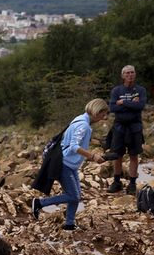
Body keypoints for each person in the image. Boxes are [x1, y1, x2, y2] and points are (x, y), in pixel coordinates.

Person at [31, 99, 108, 231]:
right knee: (74, 195)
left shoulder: (80, 119)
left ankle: (69, 224)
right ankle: (39, 203)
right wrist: (92, 156)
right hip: (64, 163)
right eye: (103, 114)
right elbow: (74, 146)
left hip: (69, 163)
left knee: (76, 194)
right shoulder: (83, 125)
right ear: (97, 112)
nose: (104, 118)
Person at [107, 65, 146, 195]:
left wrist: (123, 103)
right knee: (117, 155)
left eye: (132, 72)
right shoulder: (117, 90)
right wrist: (132, 104)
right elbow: (112, 108)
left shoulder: (140, 90)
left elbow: (140, 106)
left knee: (134, 155)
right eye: (127, 73)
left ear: (135, 74)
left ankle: (132, 184)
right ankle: (116, 182)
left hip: (135, 127)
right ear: (123, 75)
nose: (130, 75)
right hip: (119, 127)